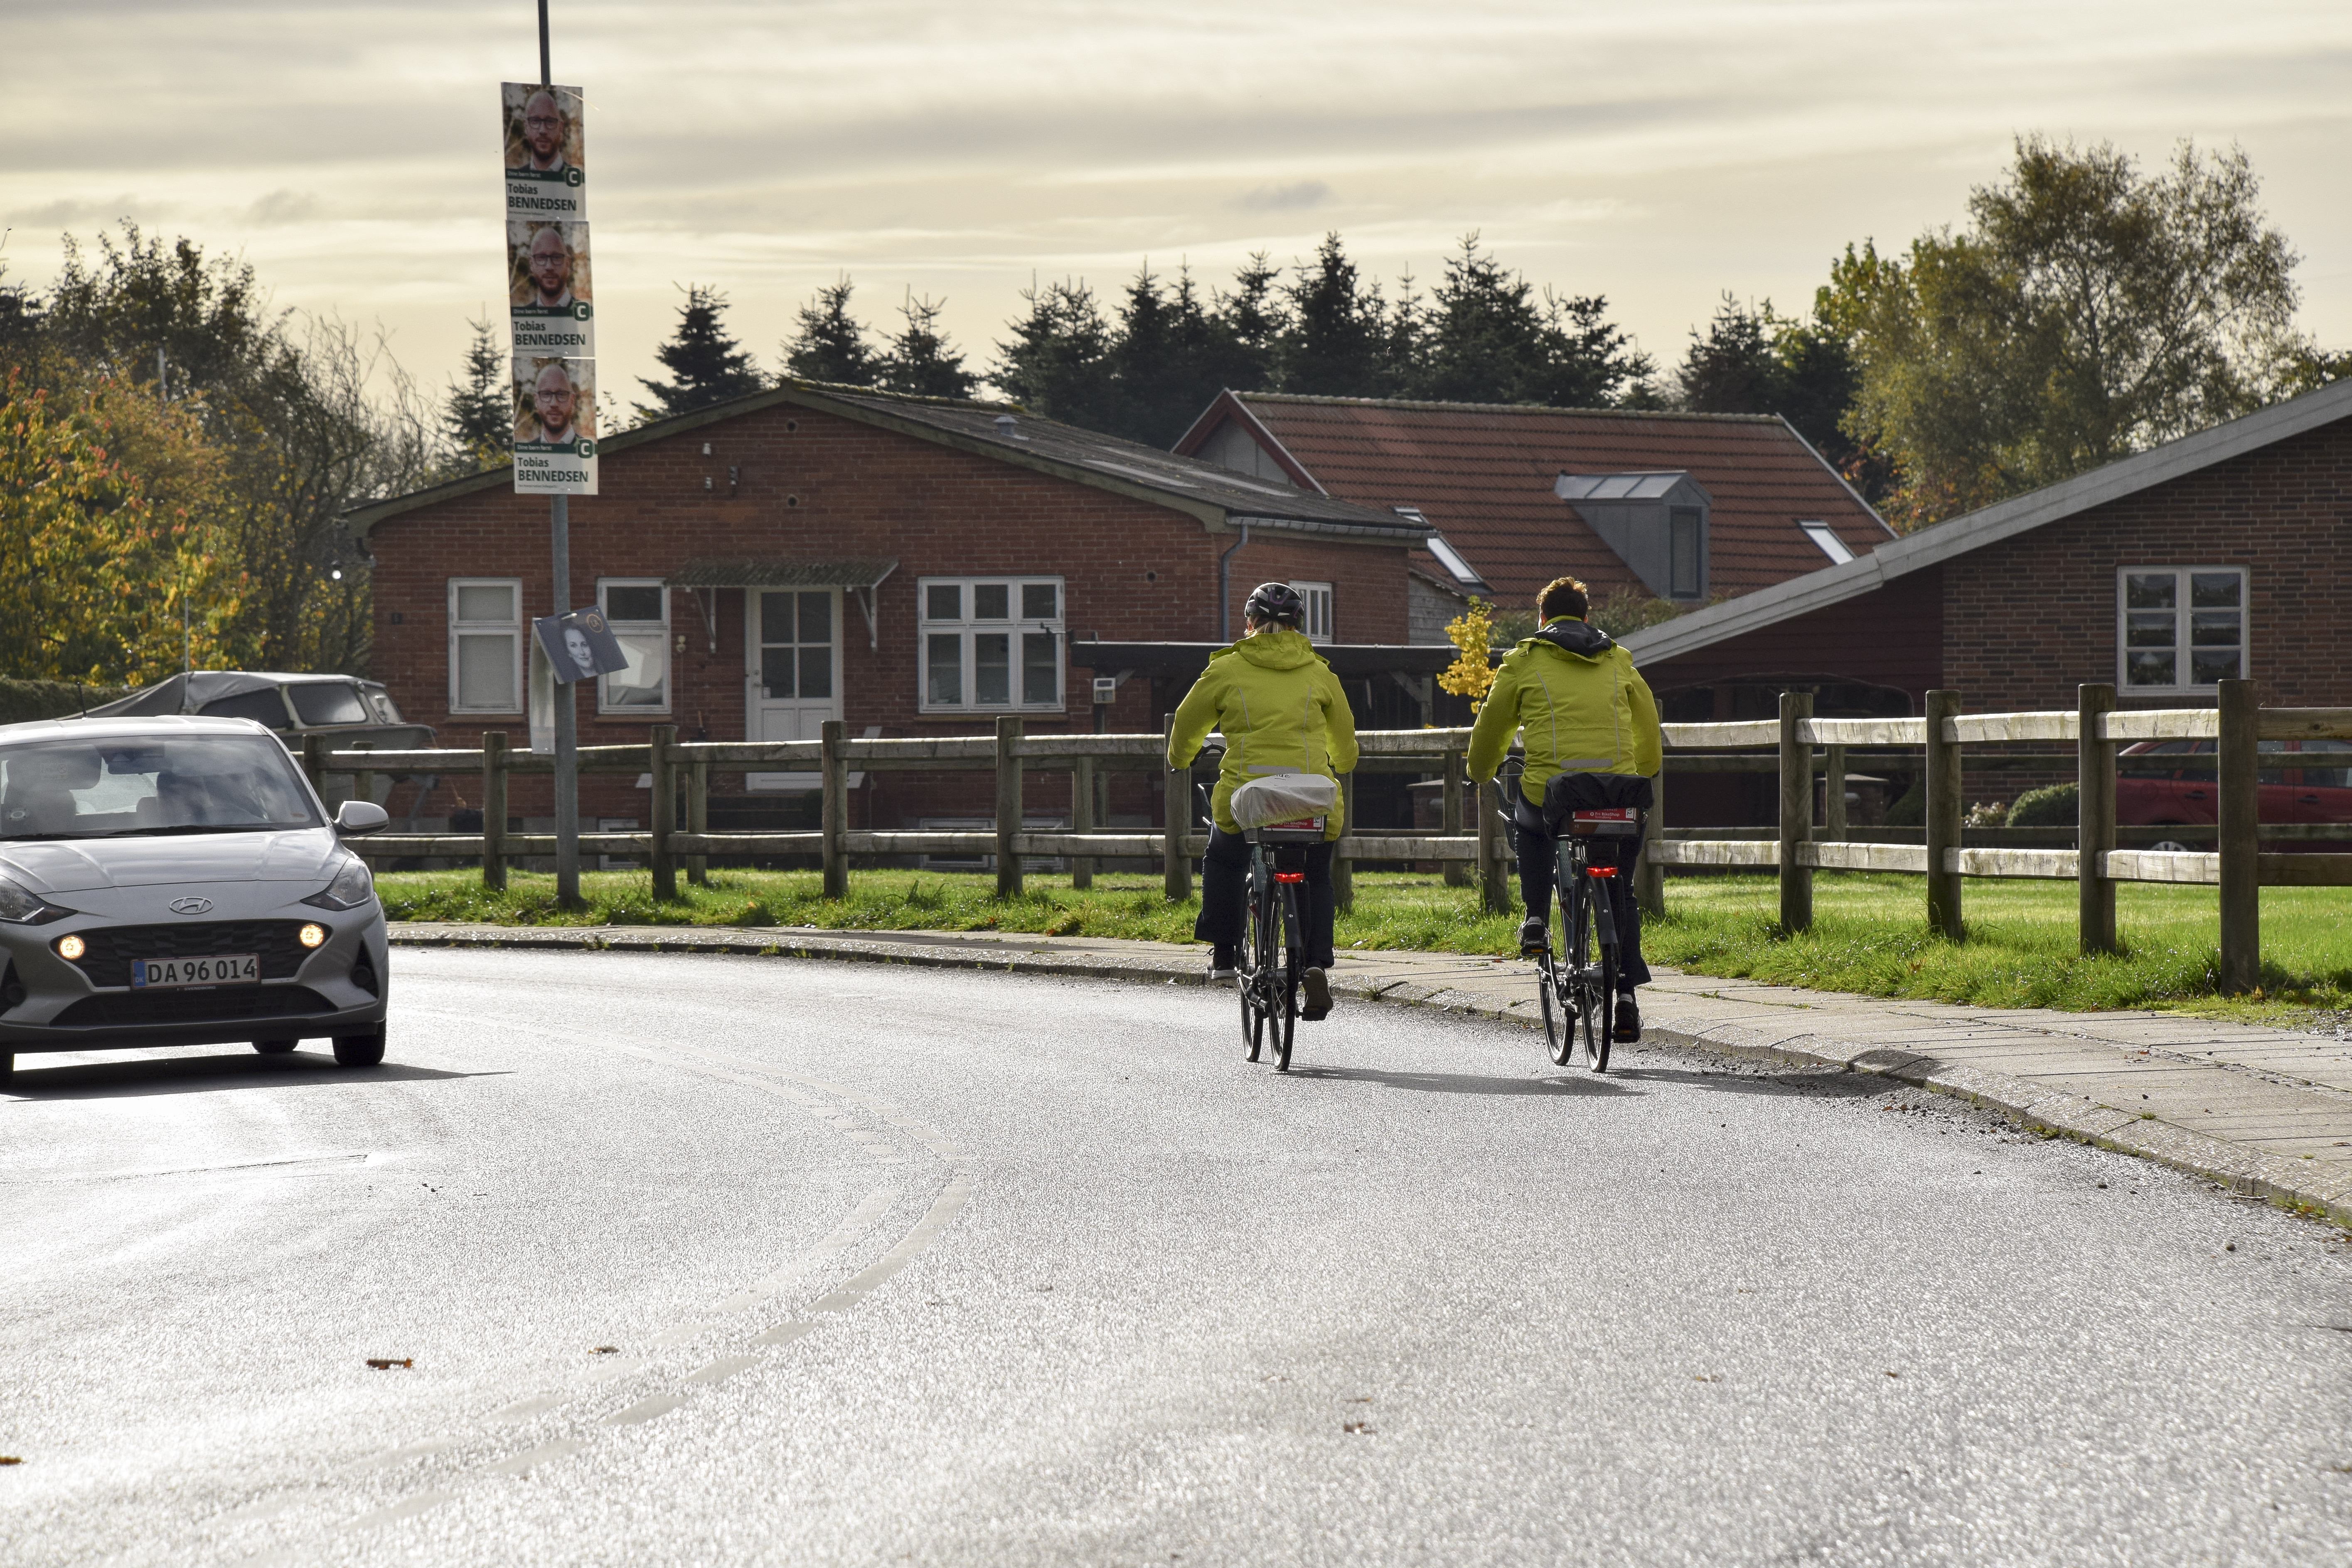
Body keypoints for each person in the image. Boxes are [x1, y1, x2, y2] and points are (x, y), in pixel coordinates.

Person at [1466, 575, 1663, 1042]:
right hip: (1618, 795)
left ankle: (1536, 917)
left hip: (1553, 793)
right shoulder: (1618, 659)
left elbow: (1492, 727)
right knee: (1621, 891)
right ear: (1587, 617)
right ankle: (1626, 998)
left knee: (1529, 822)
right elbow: (1647, 725)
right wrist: (1644, 770)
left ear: (1542, 619)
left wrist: (1480, 771)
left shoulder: (1523, 661)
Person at [1167, 582, 1359, 1020]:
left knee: (1224, 858)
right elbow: (1345, 746)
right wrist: (1340, 760)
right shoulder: (1319, 673)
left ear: (1249, 623)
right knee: (1316, 875)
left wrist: (1179, 759)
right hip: (1309, 800)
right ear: (1298, 625)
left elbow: (1186, 725)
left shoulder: (1226, 669)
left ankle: (1224, 952)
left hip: (1248, 800)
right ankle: (1315, 961)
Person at [517, 89, 570, 174]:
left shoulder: (576, 179)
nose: (543, 130)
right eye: (535, 121)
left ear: (561, 127)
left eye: (550, 122)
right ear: (526, 126)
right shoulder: (517, 178)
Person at [524, 226, 576, 310]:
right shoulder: (524, 314)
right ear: (531, 264)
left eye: (556, 257)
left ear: (568, 263)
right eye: (541, 258)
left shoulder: (584, 313)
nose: (549, 267)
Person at [530, 361, 578, 445]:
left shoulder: (588, 450)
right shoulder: (528, 451)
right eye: (546, 394)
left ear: (572, 400)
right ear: (536, 400)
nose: (554, 404)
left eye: (561, 394)